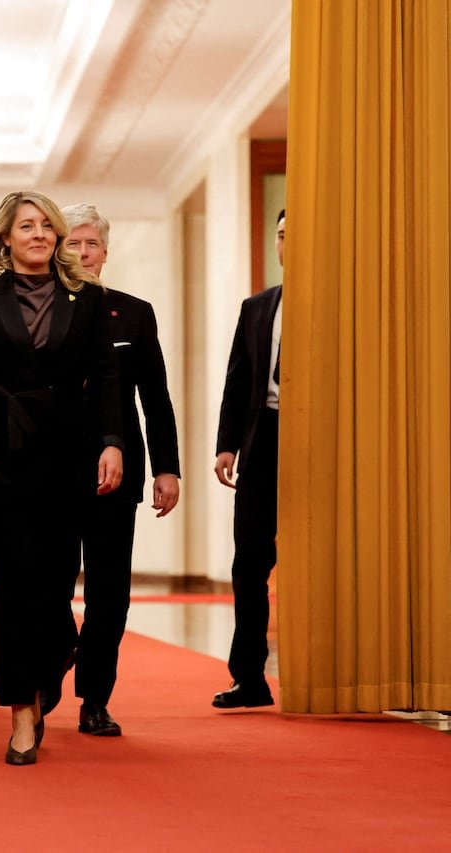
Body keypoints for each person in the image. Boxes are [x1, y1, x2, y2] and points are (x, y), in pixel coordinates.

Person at [0, 191, 123, 766]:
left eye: (46, 226)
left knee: (56, 584)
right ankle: (19, 710)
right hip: (0, 456)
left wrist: (112, 442)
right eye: (26, 226)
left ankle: (51, 661)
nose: (38, 234)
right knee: (13, 584)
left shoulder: (87, 299)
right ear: (6, 239)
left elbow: (106, 378)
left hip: (68, 455)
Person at [61, 203, 181, 737]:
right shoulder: (42, 309)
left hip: (118, 468)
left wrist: (166, 468)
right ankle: (63, 648)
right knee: (53, 581)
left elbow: (155, 397)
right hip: (53, 469)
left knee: (109, 591)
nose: (83, 252)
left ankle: (95, 698)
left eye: (92, 243)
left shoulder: (134, 313)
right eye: (73, 243)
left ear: (105, 253)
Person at [211, 209, 285, 710]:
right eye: (280, 234)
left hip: (321, 444)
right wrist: (227, 445)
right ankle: (249, 678)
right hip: (264, 441)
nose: (286, 242)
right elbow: (238, 380)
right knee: (249, 563)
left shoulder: (343, 304)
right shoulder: (258, 307)